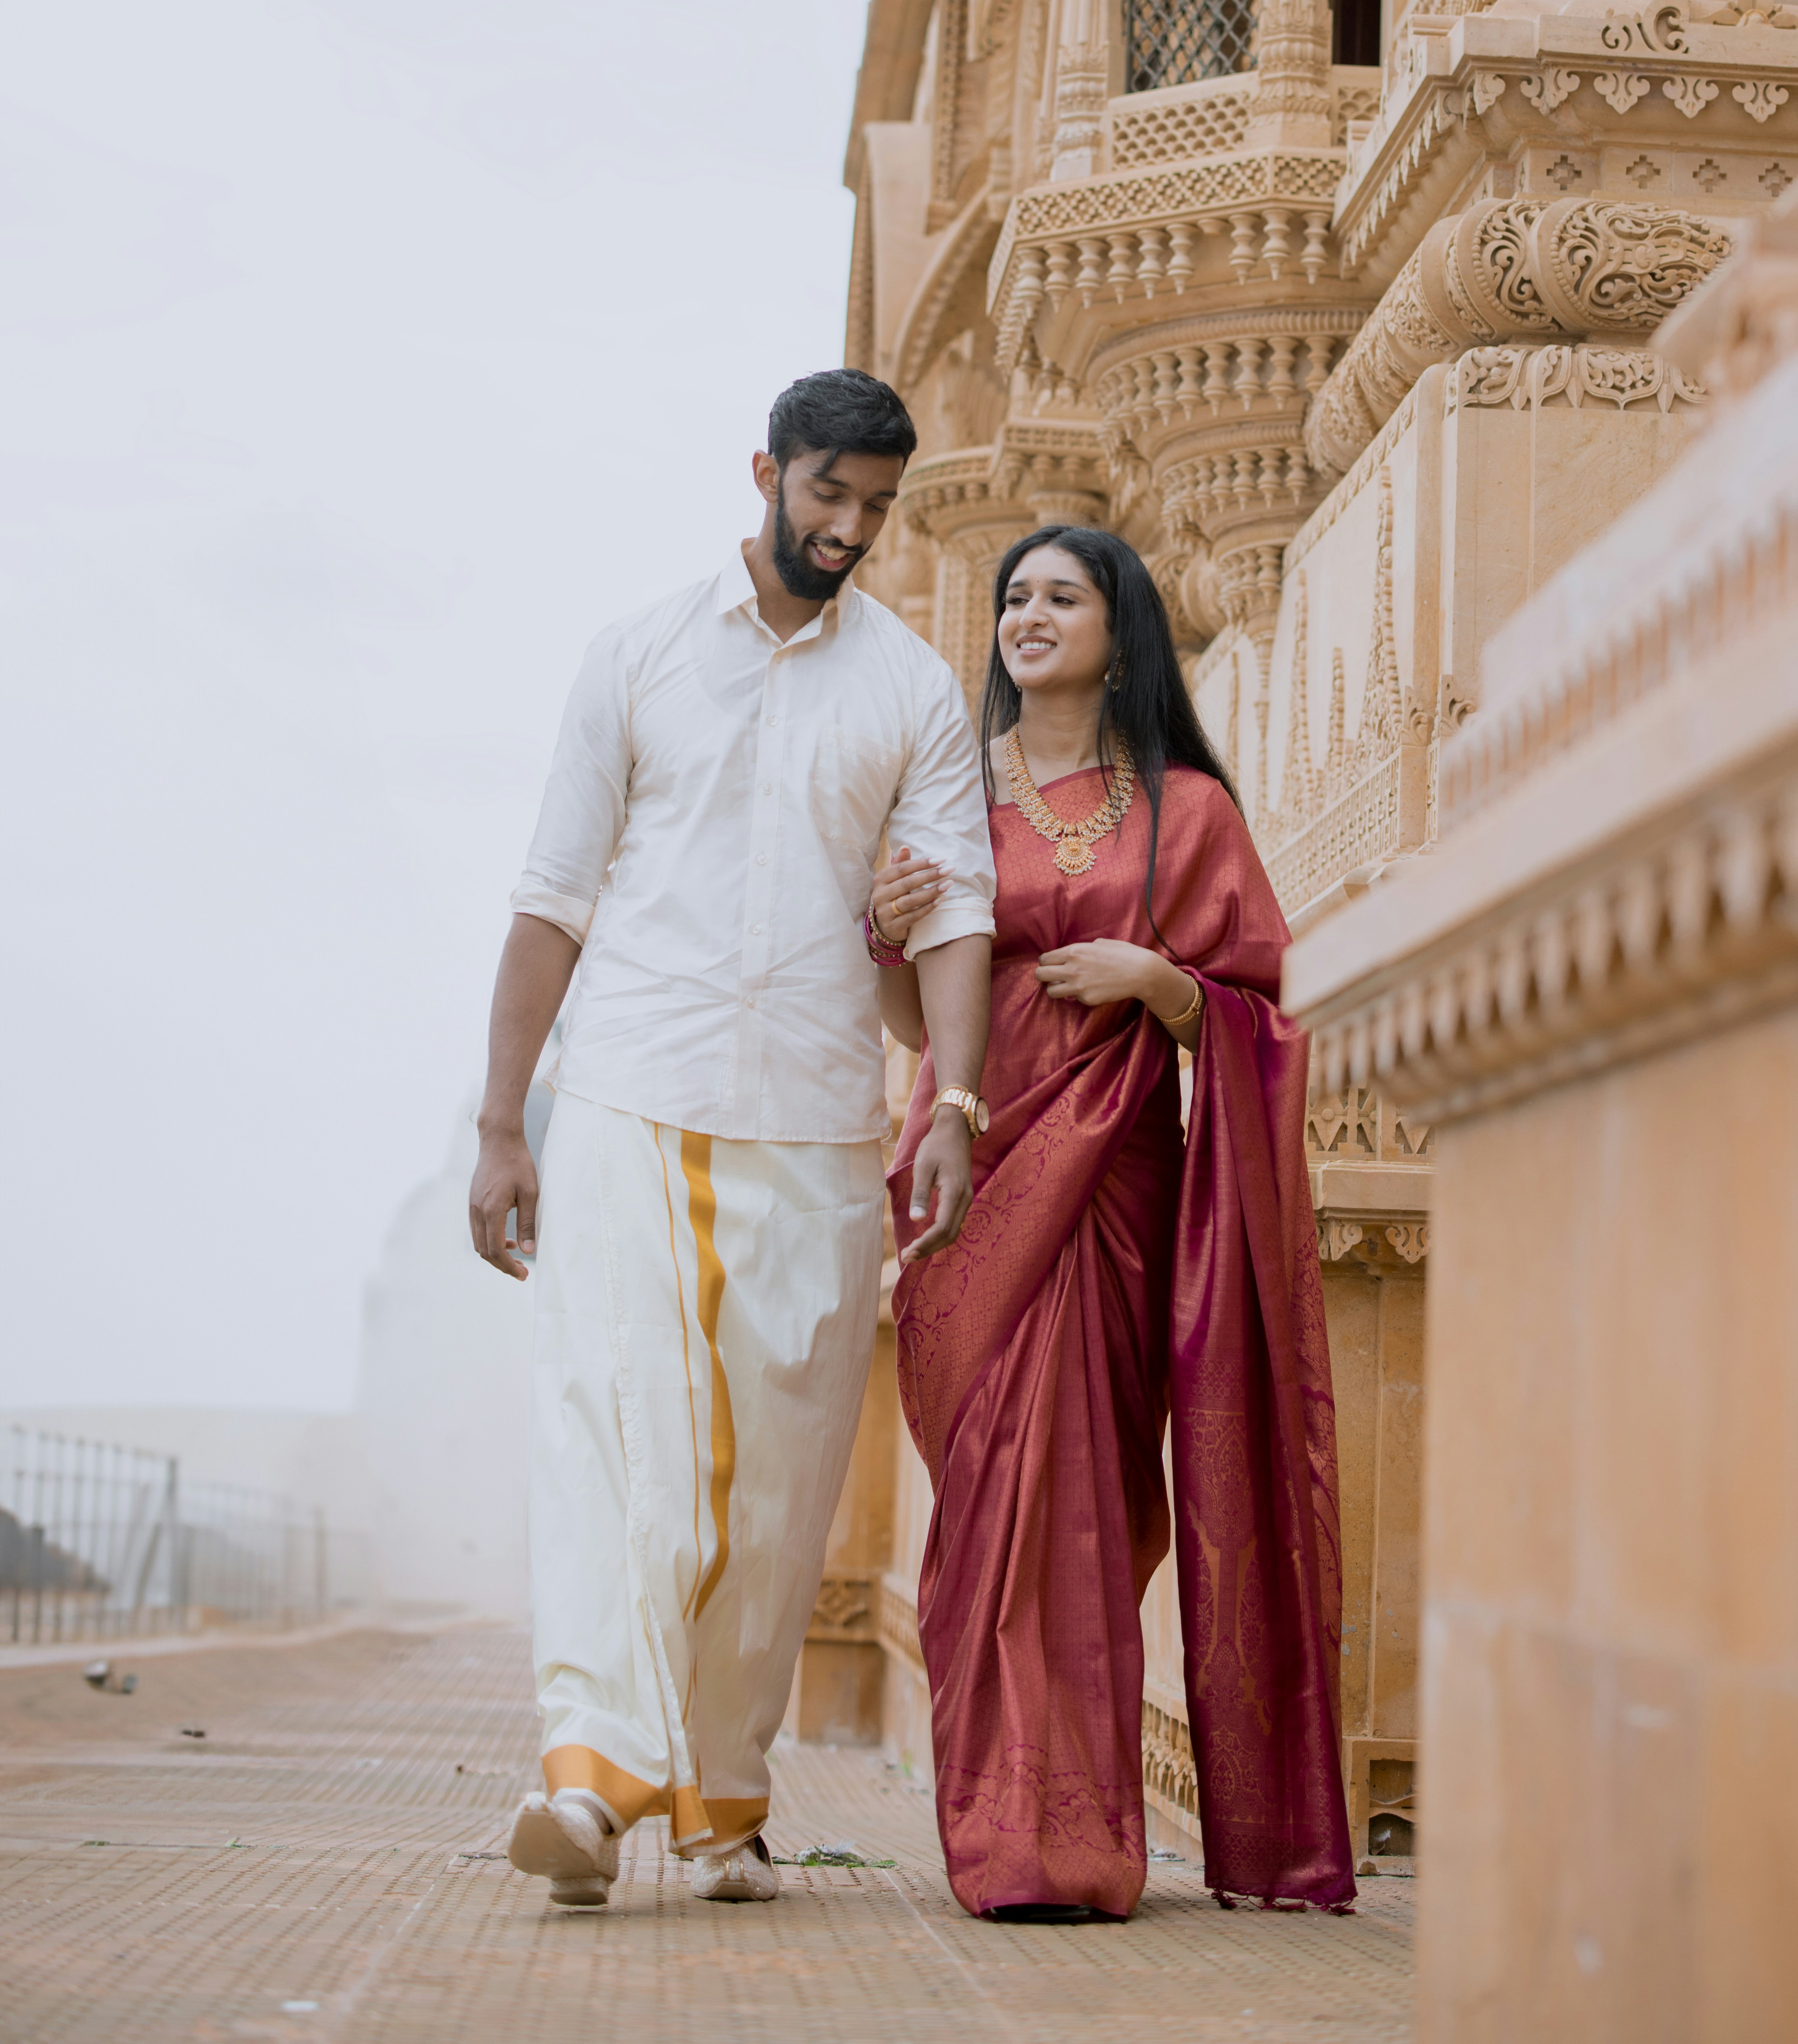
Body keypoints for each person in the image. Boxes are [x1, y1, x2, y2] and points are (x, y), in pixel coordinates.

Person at [466, 369, 994, 1910]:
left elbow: (955, 909)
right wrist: (507, 1121)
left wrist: (950, 1103)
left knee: (777, 1474)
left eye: (877, 510)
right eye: (828, 495)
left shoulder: (909, 688)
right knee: (615, 1426)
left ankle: (719, 1792)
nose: (849, 530)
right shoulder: (635, 656)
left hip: (821, 1120)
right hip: (631, 1088)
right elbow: (553, 898)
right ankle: (589, 1772)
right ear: (765, 471)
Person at [868, 525, 1354, 1920]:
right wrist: (888, 939)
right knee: (992, 1496)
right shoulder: (949, 800)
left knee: (1088, 1503)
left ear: (1118, 629)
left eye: (1060, 597)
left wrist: (1163, 982)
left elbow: (1266, 1013)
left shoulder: (1188, 812)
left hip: (1122, 1184)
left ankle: (1071, 1838)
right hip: (975, 1166)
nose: (1028, 615)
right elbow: (912, 1019)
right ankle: (1005, 1831)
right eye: (1014, 596)